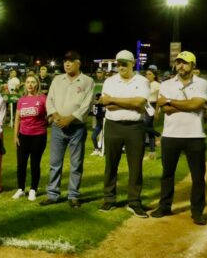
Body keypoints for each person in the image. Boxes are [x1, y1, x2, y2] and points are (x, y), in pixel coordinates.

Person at [150, 51, 207, 226]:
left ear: (193, 65)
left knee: (198, 177)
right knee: (167, 174)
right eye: (179, 62)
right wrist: (190, 105)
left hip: (195, 136)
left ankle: (197, 211)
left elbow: (196, 104)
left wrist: (172, 101)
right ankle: (164, 206)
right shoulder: (167, 83)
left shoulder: (202, 83)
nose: (181, 65)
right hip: (170, 135)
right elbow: (166, 109)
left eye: (185, 63)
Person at [98, 50, 150, 218]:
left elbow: (139, 102)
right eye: (118, 63)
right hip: (113, 125)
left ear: (132, 63)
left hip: (135, 127)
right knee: (111, 164)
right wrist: (130, 102)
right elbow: (108, 105)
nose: (120, 66)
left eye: (124, 63)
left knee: (135, 166)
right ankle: (109, 199)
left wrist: (114, 99)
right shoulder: (110, 80)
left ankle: (134, 201)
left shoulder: (142, 81)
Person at [39, 50, 94, 208]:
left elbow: (87, 104)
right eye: (65, 61)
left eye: (70, 61)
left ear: (78, 63)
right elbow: (49, 100)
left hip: (76, 127)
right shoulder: (57, 79)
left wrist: (69, 119)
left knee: (76, 163)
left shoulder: (87, 81)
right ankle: (52, 194)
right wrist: (56, 116)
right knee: (55, 162)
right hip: (57, 126)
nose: (67, 64)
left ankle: (73, 195)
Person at [12, 75, 47, 201]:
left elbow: (50, 115)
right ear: (25, 84)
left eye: (33, 82)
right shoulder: (22, 100)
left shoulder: (43, 98)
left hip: (38, 136)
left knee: (34, 164)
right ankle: (20, 189)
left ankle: (33, 189)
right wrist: (15, 136)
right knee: (21, 164)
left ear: (37, 84)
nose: (30, 84)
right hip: (23, 136)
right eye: (28, 82)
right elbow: (17, 119)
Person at [144, 66, 161, 160]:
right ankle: (152, 152)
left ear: (154, 76)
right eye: (146, 74)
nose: (147, 75)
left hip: (153, 106)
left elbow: (159, 99)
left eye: (150, 74)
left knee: (144, 126)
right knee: (149, 128)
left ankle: (158, 134)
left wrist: (157, 112)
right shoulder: (144, 84)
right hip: (145, 106)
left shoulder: (157, 85)